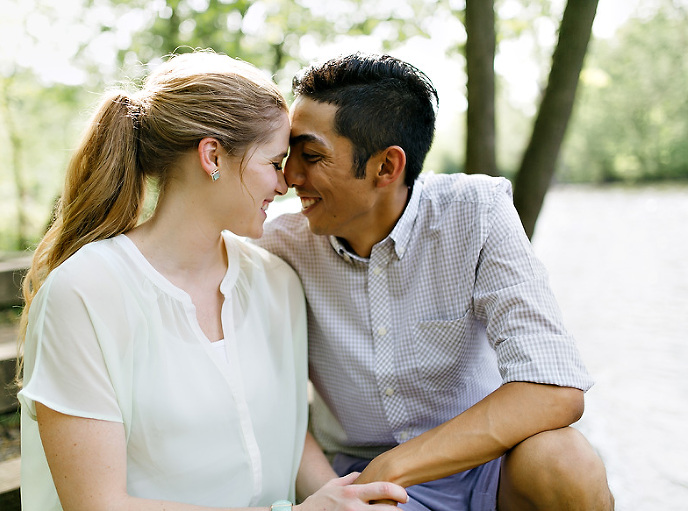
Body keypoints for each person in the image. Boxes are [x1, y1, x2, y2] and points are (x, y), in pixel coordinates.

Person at [16, 51, 407, 511]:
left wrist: (341, 499)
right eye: (274, 162)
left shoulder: (275, 282)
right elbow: (97, 504)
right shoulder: (85, 293)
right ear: (212, 156)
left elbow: (285, 433)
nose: (285, 184)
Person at [258, 53, 615, 510]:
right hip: (359, 479)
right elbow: (270, 402)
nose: (289, 178)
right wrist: (349, 492)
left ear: (387, 167)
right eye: (289, 155)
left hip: (487, 466)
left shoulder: (477, 211)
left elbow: (553, 389)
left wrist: (396, 465)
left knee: (567, 459)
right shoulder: (277, 247)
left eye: (311, 156)